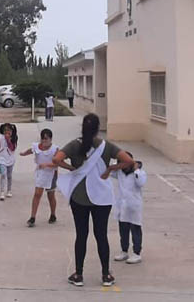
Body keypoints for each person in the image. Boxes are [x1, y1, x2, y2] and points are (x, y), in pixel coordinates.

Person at [53, 113, 134, 287]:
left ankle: (79, 275)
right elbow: (128, 161)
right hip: (102, 198)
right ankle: (106, 275)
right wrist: (111, 168)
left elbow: (56, 159)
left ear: (82, 127)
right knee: (101, 235)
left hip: (79, 198)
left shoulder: (75, 144)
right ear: (98, 128)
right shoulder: (106, 146)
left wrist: (72, 168)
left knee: (81, 235)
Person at [112, 152, 147, 265]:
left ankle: (137, 253)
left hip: (134, 206)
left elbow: (141, 183)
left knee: (135, 228)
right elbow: (109, 171)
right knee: (123, 228)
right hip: (122, 205)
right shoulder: (120, 172)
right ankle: (124, 250)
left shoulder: (140, 173)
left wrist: (136, 170)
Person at [19, 128, 58, 227]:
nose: (44, 141)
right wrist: (23, 153)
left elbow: (58, 163)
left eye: (46, 139)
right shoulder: (36, 146)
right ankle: (32, 217)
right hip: (40, 173)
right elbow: (31, 150)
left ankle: (53, 214)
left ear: (50, 139)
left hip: (51, 174)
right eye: (43, 139)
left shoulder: (55, 149)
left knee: (51, 195)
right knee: (37, 194)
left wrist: (47, 165)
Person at [0, 123, 17, 201]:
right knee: (3, 174)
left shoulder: (14, 138)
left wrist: (8, 140)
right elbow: (0, 146)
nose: (7, 132)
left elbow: (12, 148)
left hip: (10, 159)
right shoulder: (1, 137)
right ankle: (2, 192)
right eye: (5, 130)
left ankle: (9, 190)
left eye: (9, 130)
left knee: (9, 175)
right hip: (1, 159)